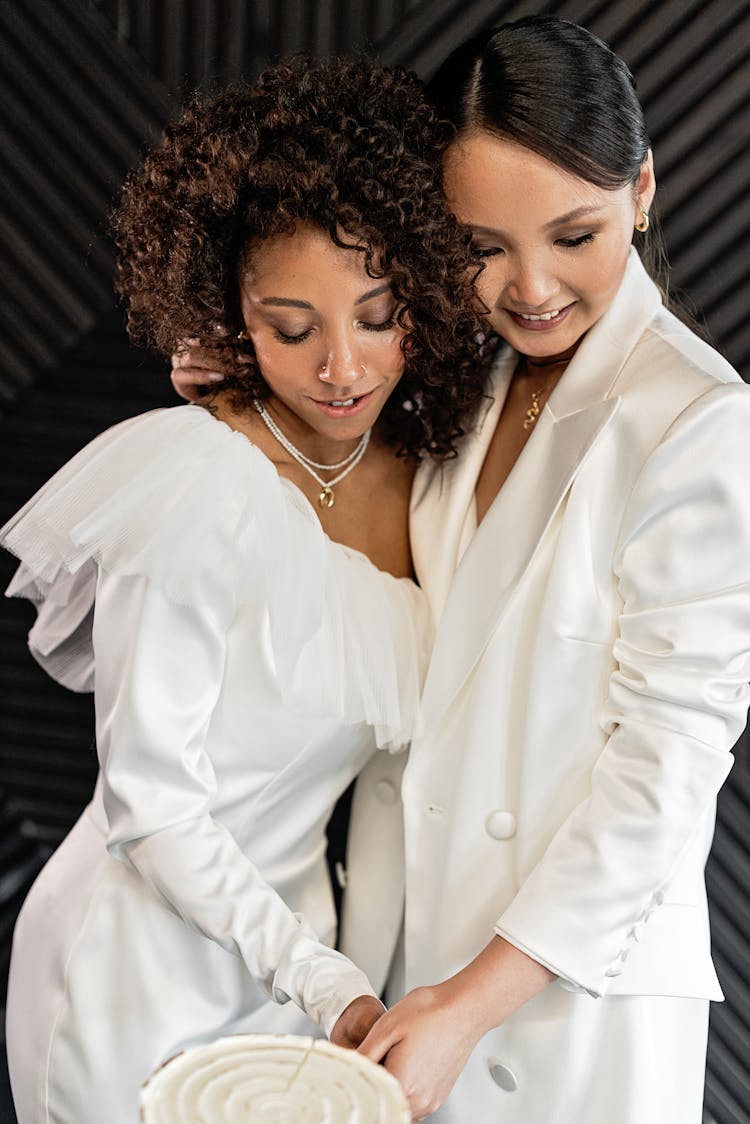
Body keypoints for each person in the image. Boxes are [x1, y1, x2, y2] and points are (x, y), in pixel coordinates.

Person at [173, 15, 750, 1123]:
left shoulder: (695, 418)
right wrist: (246, 388)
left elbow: (668, 767)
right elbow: (365, 527)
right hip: (405, 938)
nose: (529, 287)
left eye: (573, 235)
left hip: (562, 989)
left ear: (642, 190)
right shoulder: (475, 377)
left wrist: (471, 1003)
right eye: (483, 245)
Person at [0, 56, 489, 1124]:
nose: (341, 367)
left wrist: (339, 974)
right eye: (290, 325)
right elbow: (152, 801)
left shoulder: (434, 480)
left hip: (307, 970)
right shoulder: (199, 481)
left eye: (376, 312)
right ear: (226, 316)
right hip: (134, 967)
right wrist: (325, 978)